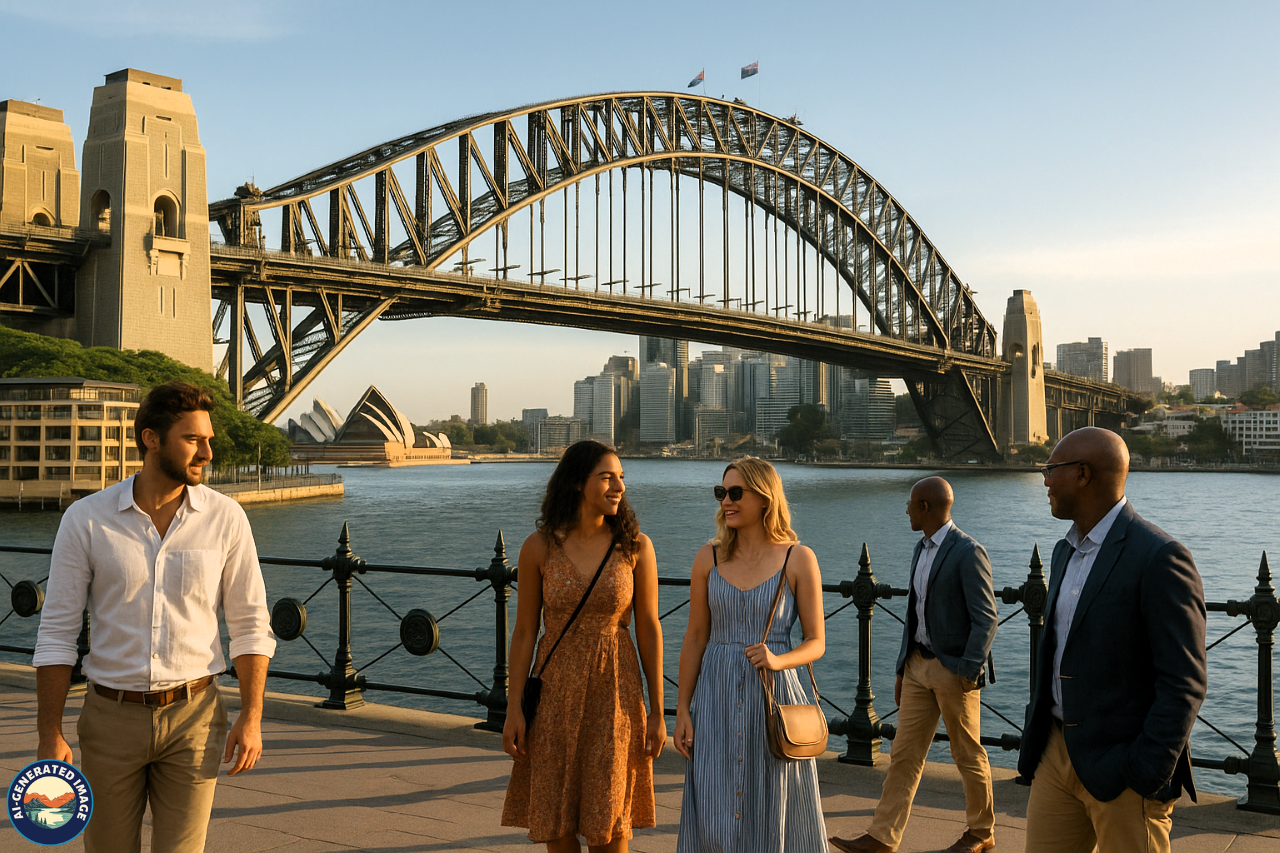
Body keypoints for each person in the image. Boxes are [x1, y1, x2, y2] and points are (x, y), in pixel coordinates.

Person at [32, 381, 276, 853]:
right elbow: (58, 632)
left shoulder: (227, 518)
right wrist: (49, 734)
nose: (207, 451)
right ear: (151, 439)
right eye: (193, 439)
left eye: (208, 439)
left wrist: (253, 716)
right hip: (109, 719)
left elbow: (249, 624)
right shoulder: (86, 520)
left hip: (196, 718)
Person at [1019, 426, 1207, 853]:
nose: (1044, 479)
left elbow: (1184, 682)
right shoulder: (1065, 549)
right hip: (1057, 754)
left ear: (1083, 474)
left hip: (1122, 768)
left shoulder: (1159, 556)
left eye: (1051, 469)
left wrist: (1142, 772)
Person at [502, 440, 665, 853]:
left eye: (621, 478)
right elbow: (524, 632)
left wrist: (659, 712)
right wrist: (514, 708)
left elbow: (648, 628)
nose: (619, 487)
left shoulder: (636, 547)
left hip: (616, 694)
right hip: (554, 693)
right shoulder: (538, 547)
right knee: (556, 825)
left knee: (610, 823)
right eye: (607, 477)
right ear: (577, 482)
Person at [830, 477, 998, 853]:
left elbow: (987, 618)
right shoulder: (921, 549)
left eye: (910, 503)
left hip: (953, 670)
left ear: (926, 507)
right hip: (918, 666)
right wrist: (902, 669)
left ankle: (981, 832)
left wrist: (967, 671)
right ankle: (882, 836)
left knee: (967, 753)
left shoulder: (968, 551)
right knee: (903, 753)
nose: (905, 509)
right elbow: (915, 613)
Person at [675, 457, 828, 852]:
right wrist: (683, 709)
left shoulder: (799, 558)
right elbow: (694, 638)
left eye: (736, 493)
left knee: (773, 802)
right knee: (713, 801)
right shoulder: (707, 559)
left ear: (765, 498)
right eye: (721, 493)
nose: (726, 501)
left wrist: (778, 660)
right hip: (716, 697)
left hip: (773, 696)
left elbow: (816, 641)